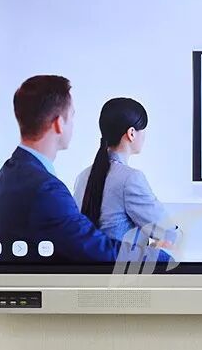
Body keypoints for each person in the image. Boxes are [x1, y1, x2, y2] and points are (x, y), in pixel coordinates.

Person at [0, 75, 127, 263]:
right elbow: (100, 251)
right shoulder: (46, 189)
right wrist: (159, 255)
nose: (73, 124)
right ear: (59, 123)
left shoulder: (9, 172)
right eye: (72, 116)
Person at [73, 97, 179, 250]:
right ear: (131, 133)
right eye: (143, 129)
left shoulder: (83, 176)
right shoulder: (130, 179)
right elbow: (168, 234)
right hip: (120, 263)